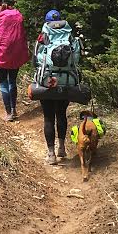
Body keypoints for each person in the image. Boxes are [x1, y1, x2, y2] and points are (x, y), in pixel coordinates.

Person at [38, 9, 74, 165]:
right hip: (66, 80)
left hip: (48, 80)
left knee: (48, 117)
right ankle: (62, 148)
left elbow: (37, 58)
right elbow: (76, 57)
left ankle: (51, 154)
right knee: (61, 114)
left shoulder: (44, 35)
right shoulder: (69, 35)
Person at [0, 0, 28, 121]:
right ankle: (14, 109)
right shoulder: (18, 20)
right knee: (12, 82)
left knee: (3, 83)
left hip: (0, 56)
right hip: (16, 56)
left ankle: (9, 112)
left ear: (0, 9)